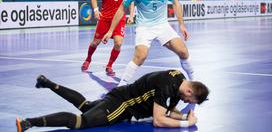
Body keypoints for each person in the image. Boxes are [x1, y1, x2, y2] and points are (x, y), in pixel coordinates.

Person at [16, 70, 209, 131]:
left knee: (86, 106)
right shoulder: (168, 86)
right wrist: (186, 123)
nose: (185, 101)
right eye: (189, 99)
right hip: (122, 105)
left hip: (119, 95)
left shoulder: (178, 80)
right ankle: (29, 123)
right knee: (81, 122)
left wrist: (183, 115)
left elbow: (167, 110)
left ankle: (47, 83)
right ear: (190, 90)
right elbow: (159, 119)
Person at [102, 0, 194, 86]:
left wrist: (182, 25)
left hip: (162, 25)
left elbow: (176, 3)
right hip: (144, 27)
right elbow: (122, 8)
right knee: (141, 56)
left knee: (183, 51)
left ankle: (193, 82)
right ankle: (121, 87)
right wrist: (110, 30)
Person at [81, 0, 134, 76]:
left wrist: (131, 14)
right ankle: (88, 59)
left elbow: (131, 1)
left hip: (120, 19)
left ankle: (109, 65)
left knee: (118, 43)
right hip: (105, 18)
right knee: (95, 42)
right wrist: (96, 10)